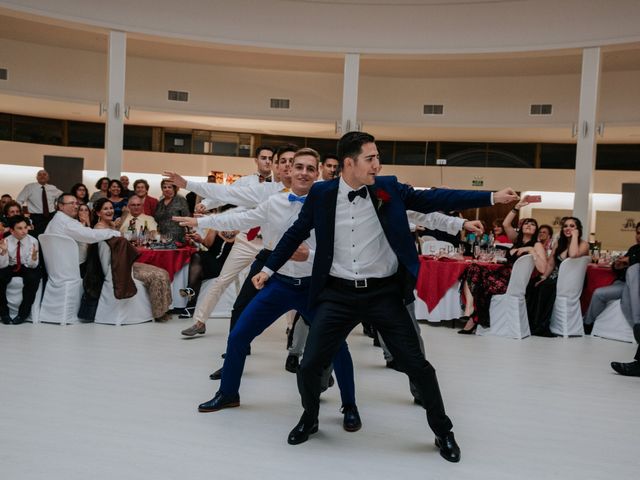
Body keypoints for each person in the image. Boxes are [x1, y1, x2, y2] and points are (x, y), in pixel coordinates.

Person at [256, 131, 518, 461]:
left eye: (378, 157)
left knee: (418, 366)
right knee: (309, 366)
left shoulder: (387, 188)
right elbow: (295, 232)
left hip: (382, 293)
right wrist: (268, 268)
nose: (377, 164)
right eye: (371, 158)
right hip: (337, 294)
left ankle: (443, 431)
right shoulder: (322, 194)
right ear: (349, 163)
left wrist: (492, 196)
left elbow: (436, 198)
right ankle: (309, 418)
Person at [174, 148, 360, 431]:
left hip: (314, 288)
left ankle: (350, 406)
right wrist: (202, 221)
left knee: (337, 346)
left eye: (310, 168)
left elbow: (343, 246)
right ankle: (228, 394)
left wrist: (309, 255)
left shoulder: (331, 204)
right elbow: (238, 220)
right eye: (299, 167)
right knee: (238, 335)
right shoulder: (274, 202)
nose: (303, 173)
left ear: (318, 171)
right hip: (279, 284)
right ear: (289, 170)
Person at [458, 217, 547, 333]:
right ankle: (469, 309)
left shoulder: (536, 245)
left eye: (533, 224)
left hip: (512, 283)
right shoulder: (516, 242)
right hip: (502, 277)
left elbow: (542, 268)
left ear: (536, 230)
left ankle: (475, 317)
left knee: (477, 278)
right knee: (472, 268)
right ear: (521, 227)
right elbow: (506, 224)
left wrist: (532, 250)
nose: (529, 225)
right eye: (526, 223)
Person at [91, 198, 172, 321]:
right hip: (117, 268)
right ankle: (159, 313)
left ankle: (162, 309)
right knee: (158, 275)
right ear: (98, 213)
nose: (109, 211)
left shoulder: (110, 225)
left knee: (163, 272)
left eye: (111, 208)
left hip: (123, 264)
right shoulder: (100, 228)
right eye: (105, 209)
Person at [526, 216, 590, 336]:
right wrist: (544, 276)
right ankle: (531, 323)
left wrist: (575, 237)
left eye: (572, 226)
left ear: (578, 229)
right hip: (557, 277)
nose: (568, 228)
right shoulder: (559, 243)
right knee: (534, 284)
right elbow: (551, 263)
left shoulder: (584, 244)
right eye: (565, 226)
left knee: (545, 287)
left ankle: (541, 325)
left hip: (572, 280)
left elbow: (573, 255)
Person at [583, 222, 640, 333]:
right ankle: (587, 324)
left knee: (626, 299)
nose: (638, 236)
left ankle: (636, 327)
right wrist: (617, 266)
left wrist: (630, 261)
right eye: (637, 233)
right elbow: (621, 265)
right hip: (622, 284)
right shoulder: (634, 248)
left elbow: (632, 265)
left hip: (635, 287)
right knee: (598, 293)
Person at [178, 218, 236, 322]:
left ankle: (190, 301)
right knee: (196, 257)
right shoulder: (216, 224)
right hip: (211, 257)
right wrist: (199, 239)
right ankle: (190, 302)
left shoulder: (242, 228)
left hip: (223, 263)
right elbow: (208, 244)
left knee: (198, 266)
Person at [44, 193, 120, 268]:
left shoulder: (57, 219)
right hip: (69, 266)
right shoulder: (65, 222)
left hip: (57, 265)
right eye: (72, 203)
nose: (76, 206)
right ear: (61, 206)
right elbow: (90, 236)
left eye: (76, 203)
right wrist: (116, 233)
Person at [0, 215, 42, 325]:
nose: (24, 231)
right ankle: (4, 313)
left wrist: (33, 258)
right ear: (12, 231)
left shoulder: (33, 241)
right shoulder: (6, 241)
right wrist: (3, 252)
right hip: (10, 265)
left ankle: (23, 314)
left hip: (26, 265)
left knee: (32, 279)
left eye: (25, 227)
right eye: (19, 228)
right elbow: (2, 265)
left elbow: (32, 265)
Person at [16, 169, 62, 237]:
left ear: (48, 178)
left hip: (51, 217)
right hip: (36, 218)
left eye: (44, 174)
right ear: (37, 177)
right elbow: (19, 200)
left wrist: (57, 205)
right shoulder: (30, 187)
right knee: (37, 236)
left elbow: (63, 197)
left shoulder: (52, 188)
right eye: (40, 174)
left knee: (51, 236)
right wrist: (20, 215)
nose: (42, 176)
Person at [154, 179, 190, 243]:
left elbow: (187, 217)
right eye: (164, 187)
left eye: (169, 187)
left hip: (177, 238)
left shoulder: (180, 199)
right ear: (162, 189)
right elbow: (157, 219)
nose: (167, 189)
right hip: (162, 238)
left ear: (174, 188)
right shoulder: (160, 203)